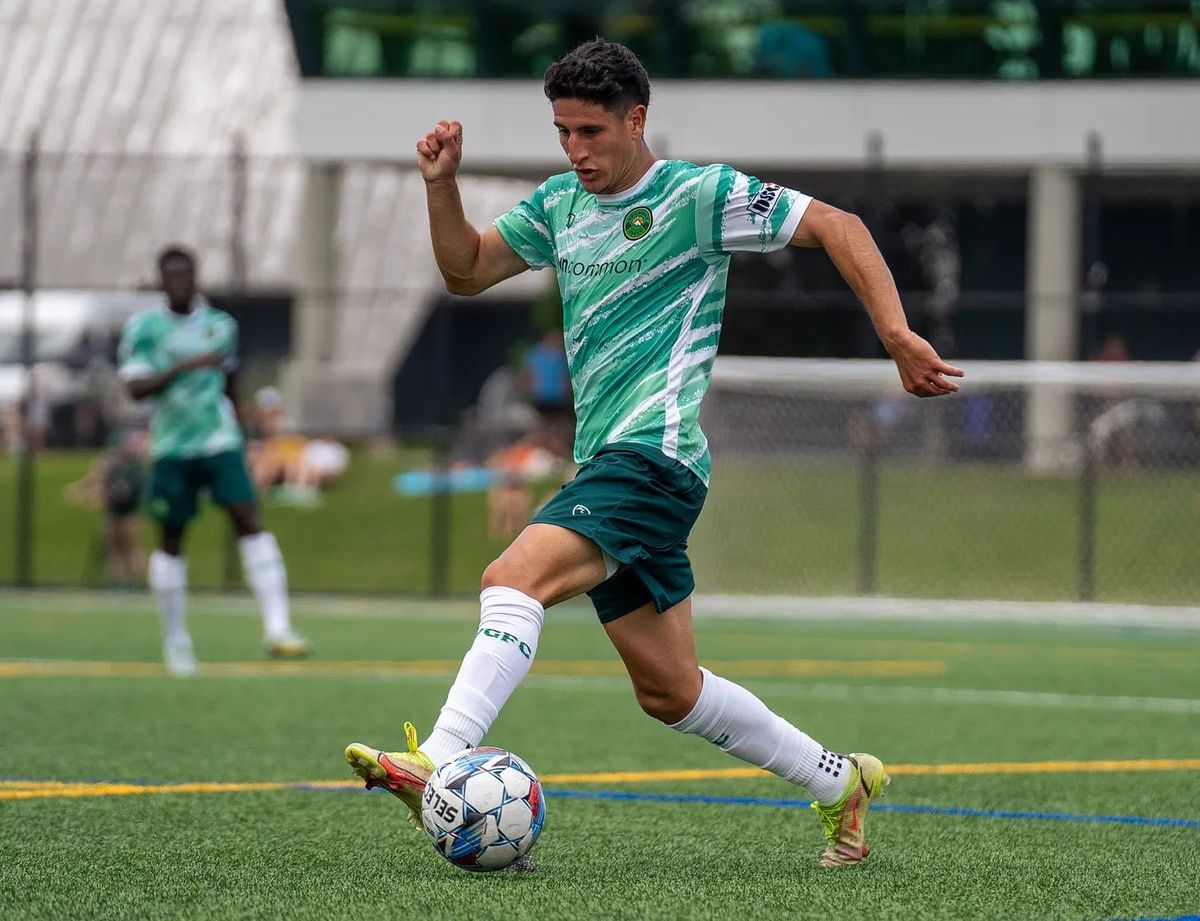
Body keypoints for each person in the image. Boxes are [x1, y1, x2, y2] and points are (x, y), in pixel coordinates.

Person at [344, 40, 963, 868]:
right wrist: (441, 185)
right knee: (671, 690)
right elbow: (465, 270)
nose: (576, 150)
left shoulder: (697, 196)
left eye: (592, 131)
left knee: (510, 578)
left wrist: (896, 335)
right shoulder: (560, 204)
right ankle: (838, 781)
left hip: (655, 458)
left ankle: (437, 757)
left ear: (638, 120)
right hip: (608, 465)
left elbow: (837, 225)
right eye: (563, 131)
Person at [118, 246, 310, 676]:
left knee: (250, 520)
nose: (180, 282)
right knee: (171, 539)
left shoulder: (220, 326)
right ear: (162, 280)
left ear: (195, 277)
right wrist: (186, 366)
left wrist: (245, 430)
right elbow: (136, 389)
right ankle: (176, 640)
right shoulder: (144, 329)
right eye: (172, 275)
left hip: (219, 441)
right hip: (171, 446)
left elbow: (229, 380)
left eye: (187, 274)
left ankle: (278, 628)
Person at [63, 427, 148, 586]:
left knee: (131, 550)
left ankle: (138, 582)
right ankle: (119, 583)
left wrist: (86, 495)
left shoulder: (131, 467)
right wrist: (84, 492)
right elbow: (99, 484)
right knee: (115, 552)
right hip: (114, 514)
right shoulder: (116, 466)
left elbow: (111, 489)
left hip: (129, 515)